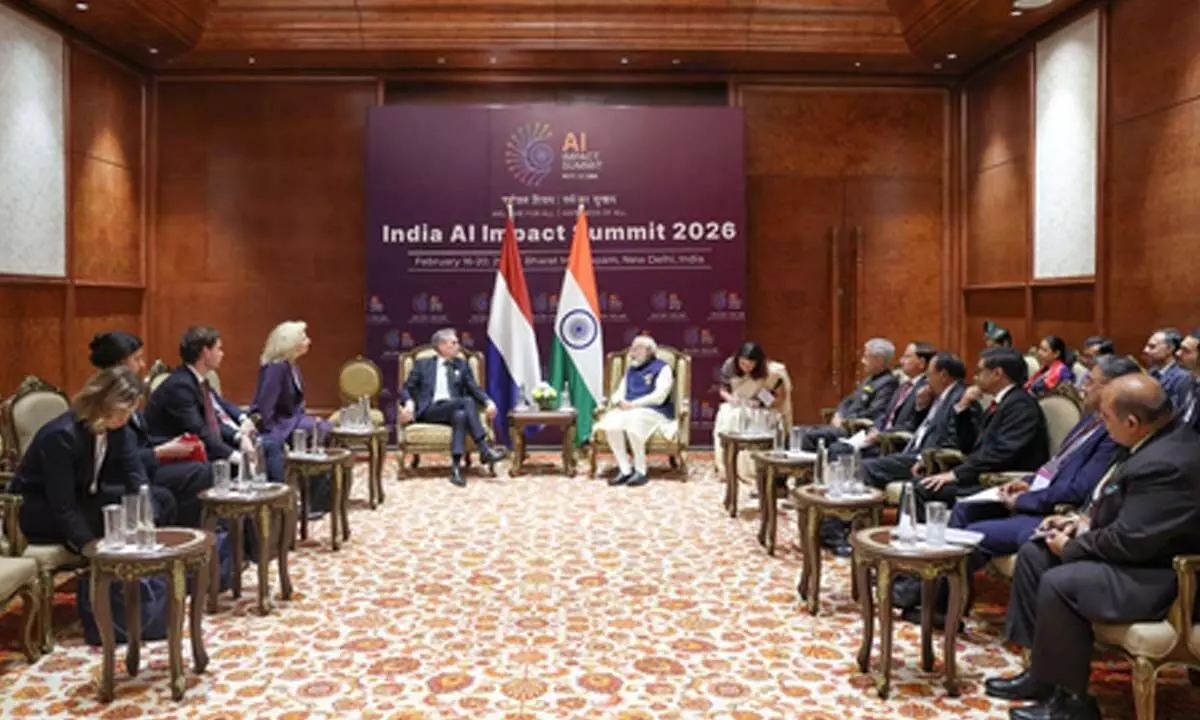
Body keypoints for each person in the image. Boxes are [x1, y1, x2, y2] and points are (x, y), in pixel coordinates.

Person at [985, 375, 1200, 720]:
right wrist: (1078, 523)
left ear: (1133, 422)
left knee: (1061, 582)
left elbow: (1132, 540)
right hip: (1136, 558)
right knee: (1035, 553)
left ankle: (1073, 704)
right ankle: (1040, 676)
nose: (1101, 423)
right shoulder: (1153, 440)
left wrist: (1073, 545)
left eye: (1106, 417)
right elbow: (1122, 512)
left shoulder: (1167, 463)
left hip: (1162, 579)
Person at [897, 355, 1141, 621]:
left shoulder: (1113, 432)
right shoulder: (1090, 421)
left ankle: (933, 601)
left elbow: (1077, 489)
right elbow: (1055, 465)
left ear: (1114, 388)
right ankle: (934, 599)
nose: (1083, 386)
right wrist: (1027, 482)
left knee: (969, 534)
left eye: (1091, 382)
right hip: (1033, 492)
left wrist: (1025, 499)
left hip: (1050, 510)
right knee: (965, 509)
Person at [8, 367, 175, 554]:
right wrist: (92, 550)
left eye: (130, 412)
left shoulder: (119, 429)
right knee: (110, 519)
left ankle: (150, 556)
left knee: (162, 499)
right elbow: (63, 506)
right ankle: (108, 563)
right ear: (100, 402)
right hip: (40, 507)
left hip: (84, 496)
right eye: (121, 411)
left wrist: (148, 520)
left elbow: (136, 476)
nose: (125, 418)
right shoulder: (62, 436)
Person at [88, 331, 213, 527]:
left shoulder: (129, 394)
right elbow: (116, 459)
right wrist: (160, 452)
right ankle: (185, 532)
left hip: (140, 465)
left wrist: (173, 444)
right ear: (119, 365)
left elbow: (141, 440)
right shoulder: (107, 403)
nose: (142, 365)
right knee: (197, 473)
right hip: (117, 477)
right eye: (136, 359)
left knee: (198, 465)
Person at [911, 347, 1048, 512]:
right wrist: (963, 407)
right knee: (920, 484)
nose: (975, 377)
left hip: (1001, 482)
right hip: (982, 475)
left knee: (924, 489)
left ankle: (929, 529)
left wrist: (955, 474)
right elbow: (969, 445)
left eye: (980, 371)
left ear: (997, 374)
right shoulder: (1002, 403)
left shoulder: (1021, 406)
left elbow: (999, 454)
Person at [398, 328, 506, 488]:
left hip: (453, 409)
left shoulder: (462, 365)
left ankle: (456, 470)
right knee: (467, 402)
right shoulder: (423, 365)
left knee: (460, 415)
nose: (458, 346)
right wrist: (409, 402)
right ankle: (484, 449)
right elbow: (406, 389)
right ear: (442, 346)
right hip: (430, 410)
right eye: (454, 343)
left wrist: (488, 402)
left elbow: (474, 388)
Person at [145, 326, 258, 466]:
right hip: (172, 457)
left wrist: (239, 437)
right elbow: (199, 431)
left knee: (263, 447)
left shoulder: (198, 381)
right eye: (218, 349)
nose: (222, 354)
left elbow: (214, 420)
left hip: (202, 448)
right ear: (206, 352)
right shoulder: (180, 386)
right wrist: (239, 459)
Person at [250, 320, 331, 483]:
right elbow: (265, 407)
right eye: (304, 338)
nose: (309, 341)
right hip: (279, 425)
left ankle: (315, 484)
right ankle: (313, 484)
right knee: (322, 429)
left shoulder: (291, 365)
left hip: (292, 420)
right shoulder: (275, 368)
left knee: (324, 427)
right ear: (291, 343)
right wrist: (276, 435)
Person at [597, 334, 677, 488]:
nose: (632, 353)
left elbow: (659, 396)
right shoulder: (631, 369)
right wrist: (619, 401)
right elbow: (620, 391)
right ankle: (625, 469)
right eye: (632, 349)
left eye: (636, 349)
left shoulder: (662, 368)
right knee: (611, 422)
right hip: (629, 409)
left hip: (654, 410)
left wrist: (634, 404)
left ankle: (641, 471)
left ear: (648, 351)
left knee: (634, 420)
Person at [712, 341, 791, 481]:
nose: (746, 368)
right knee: (729, 416)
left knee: (760, 419)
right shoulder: (730, 365)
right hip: (737, 403)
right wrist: (731, 399)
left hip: (761, 406)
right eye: (743, 364)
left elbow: (779, 395)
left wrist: (761, 402)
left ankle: (755, 468)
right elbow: (723, 390)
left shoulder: (770, 371)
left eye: (750, 365)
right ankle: (728, 467)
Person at [802, 338, 899, 450]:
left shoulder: (888, 383)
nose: (862, 361)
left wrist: (845, 421)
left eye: (866, 357)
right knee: (806, 430)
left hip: (857, 430)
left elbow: (874, 412)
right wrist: (839, 413)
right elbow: (849, 400)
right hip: (845, 425)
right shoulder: (869, 379)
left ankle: (817, 462)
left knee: (811, 436)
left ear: (879, 360)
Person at [1143, 327, 1190, 410]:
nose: (1145, 350)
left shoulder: (1183, 377)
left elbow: (1174, 410)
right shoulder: (1151, 372)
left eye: (1152, 347)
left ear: (1169, 349)